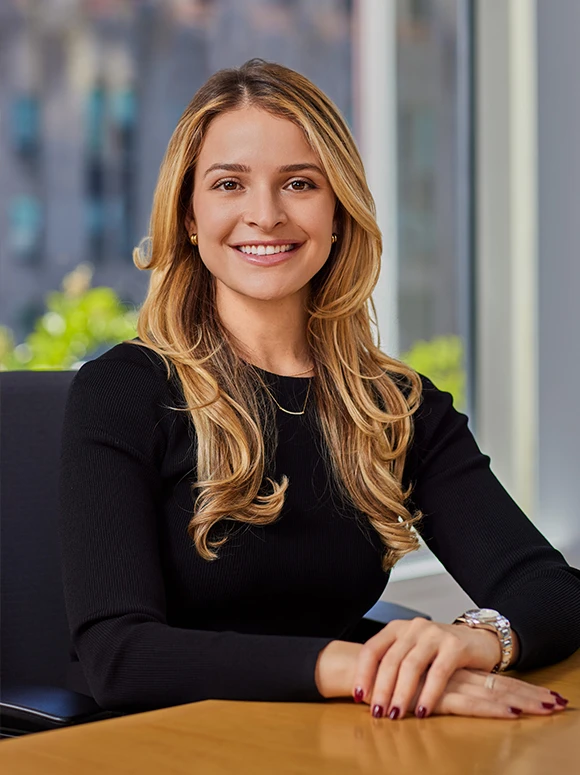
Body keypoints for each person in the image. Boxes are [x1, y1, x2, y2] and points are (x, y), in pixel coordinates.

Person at [59, 59, 580, 721]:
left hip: (337, 738)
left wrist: (469, 640)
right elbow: (118, 654)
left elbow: (551, 590)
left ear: (337, 211)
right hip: (173, 745)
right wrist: (359, 665)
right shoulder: (122, 392)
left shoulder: (394, 404)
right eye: (229, 183)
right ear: (190, 214)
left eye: (299, 183)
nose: (265, 215)